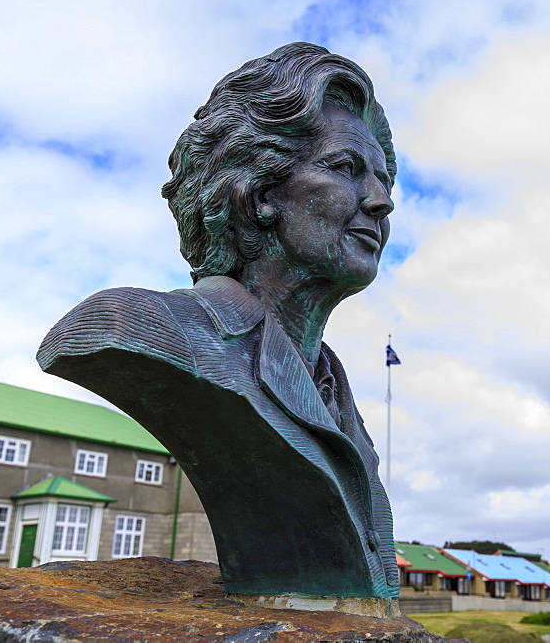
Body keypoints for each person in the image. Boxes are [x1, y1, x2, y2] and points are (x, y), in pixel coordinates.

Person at [37, 43, 398, 602]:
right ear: (257, 194)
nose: (381, 202)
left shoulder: (335, 390)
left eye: (384, 181)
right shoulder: (138, 325)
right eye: (345, 169)